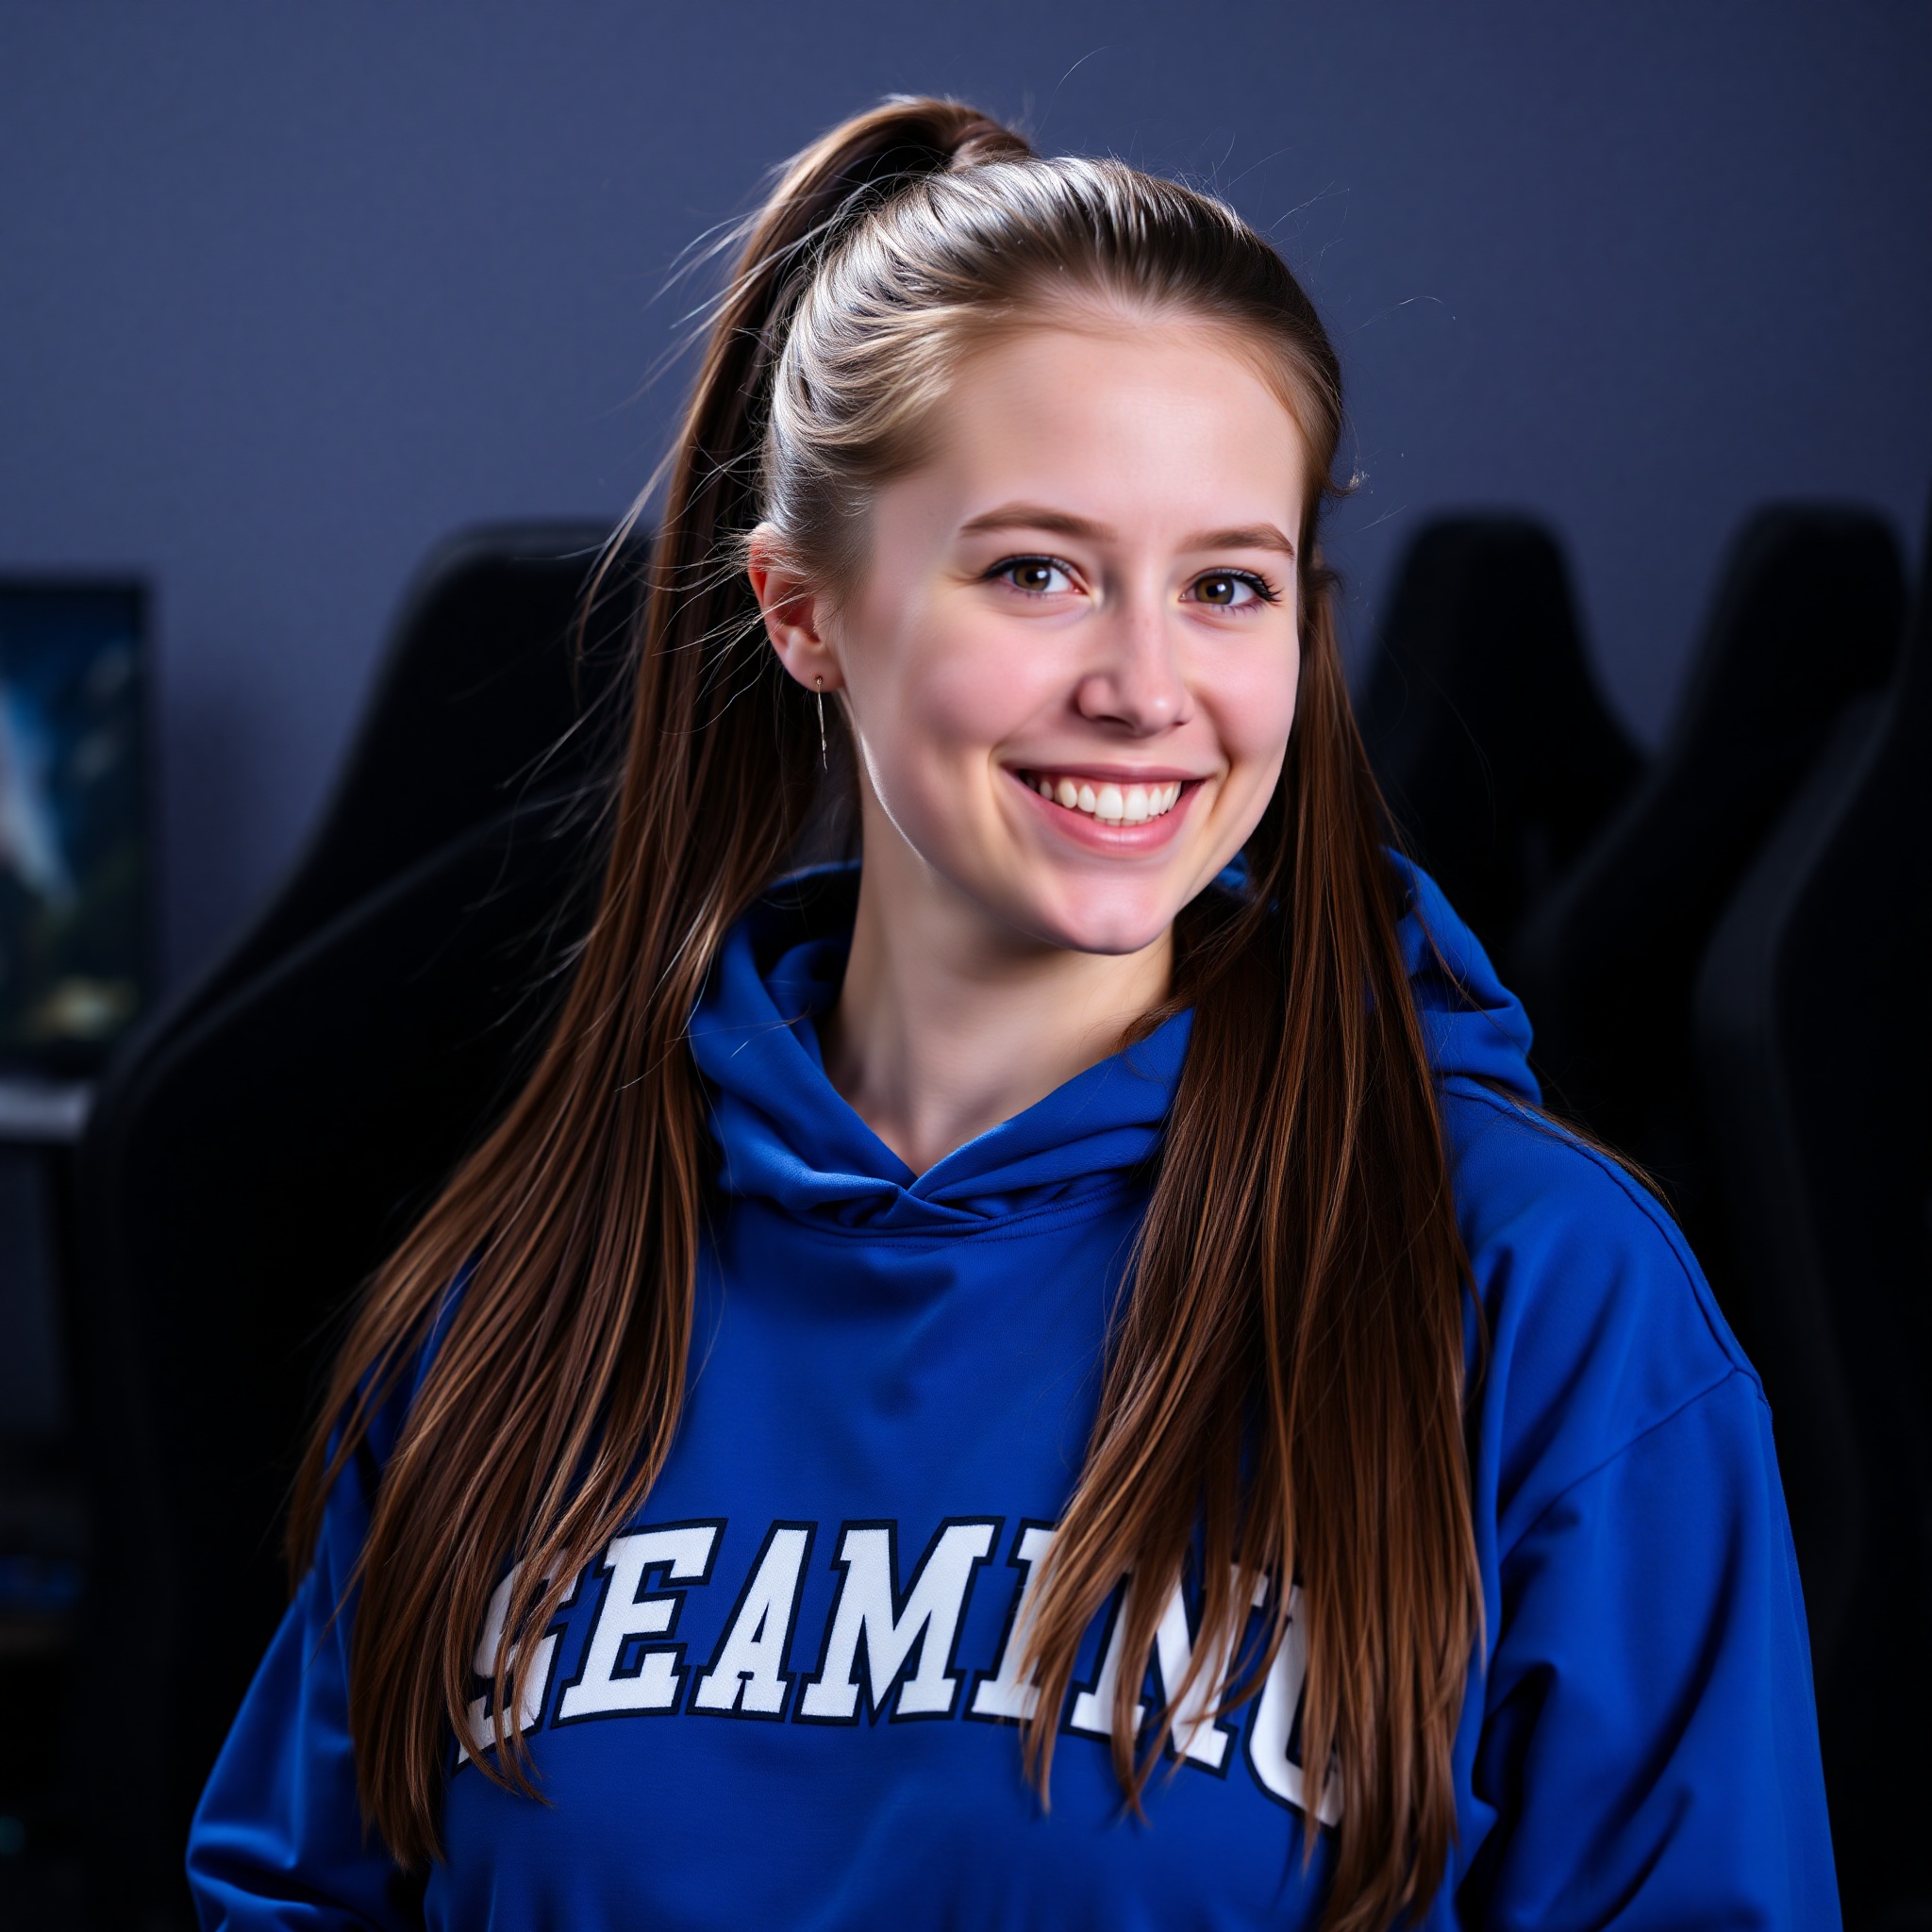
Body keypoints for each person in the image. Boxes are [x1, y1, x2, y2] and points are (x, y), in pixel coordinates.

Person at [185, 99, 1837, 1931]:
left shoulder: (1538, 1290)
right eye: (1034, 569)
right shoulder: (529, 1293)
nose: (1144, 688)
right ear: (804, 610)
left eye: (1226, 585)